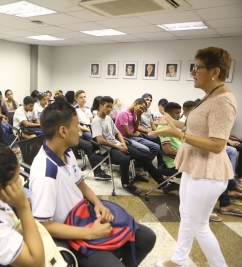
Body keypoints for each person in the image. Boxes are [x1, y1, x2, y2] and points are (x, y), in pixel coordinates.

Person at [30, 101, 156, 267]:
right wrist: (89, 233)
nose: (81, 130)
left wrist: (97, 204)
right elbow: (43, 224)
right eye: (76, 126)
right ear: (63, 131)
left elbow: (79, 182)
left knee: (147, 237)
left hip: (84, 214)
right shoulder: (46, 173)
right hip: (70, 232)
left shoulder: (66, 151)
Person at [151, 47, 236, 267]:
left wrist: (179, 134)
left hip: (208, 173)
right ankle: (179, 260)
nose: (192, 72)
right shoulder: (209, 97)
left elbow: (217, 145)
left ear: (214, 71)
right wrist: (174, 124)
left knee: (199, 224)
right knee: (187, 216)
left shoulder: (223, 101)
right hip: (195, 168)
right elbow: (196, 128)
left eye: (197, 67)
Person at [92, 96, 178, 195]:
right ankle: (125, 183)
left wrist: (123, 144)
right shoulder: (96, 121)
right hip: (109, 148)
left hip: (118, 144)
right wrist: (117, 146)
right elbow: (100, 140)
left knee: (144, 156)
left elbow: (118, 133)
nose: (109, 109)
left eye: (111, 107)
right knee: (125, 159)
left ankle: (163, 184)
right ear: (100, 106)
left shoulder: (108, 118)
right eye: (107, 106)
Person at [115, 98, 160, 163]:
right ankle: (140, 166)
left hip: (132, 137)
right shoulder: (124, 113)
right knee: (146, 150)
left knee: (156, 147)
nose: (141, 110)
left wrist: (138, 116)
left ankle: (141, 166)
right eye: (140, 108)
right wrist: (136, 134)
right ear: (136, 104)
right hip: (125, 138)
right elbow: (127, 133)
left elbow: (135, 129)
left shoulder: (134, 113)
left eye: (143, 110)